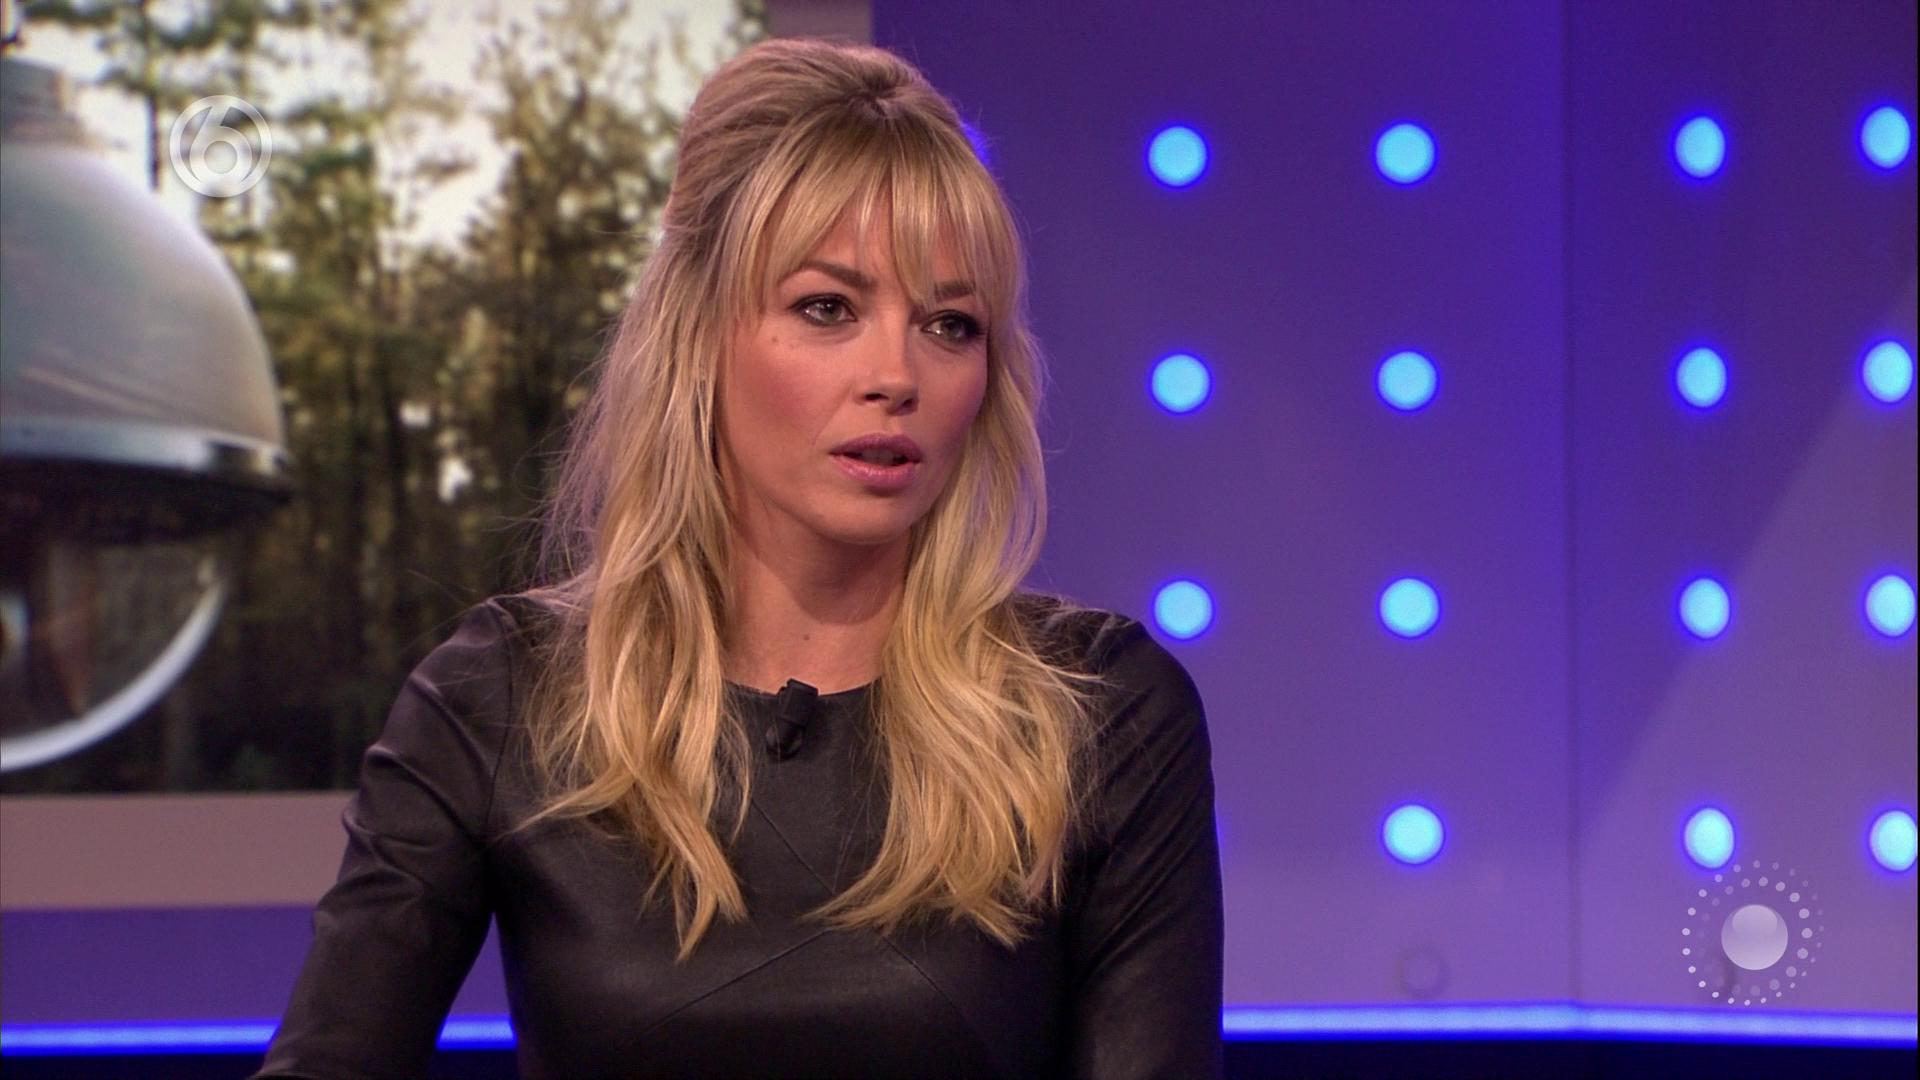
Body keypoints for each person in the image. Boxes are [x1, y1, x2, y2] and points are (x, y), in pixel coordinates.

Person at [253, 37, 1223, 1080]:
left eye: (950, 324)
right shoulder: (503, 698)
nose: (896, 374)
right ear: (698, 336)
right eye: (828, 308)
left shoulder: (1101, 717)